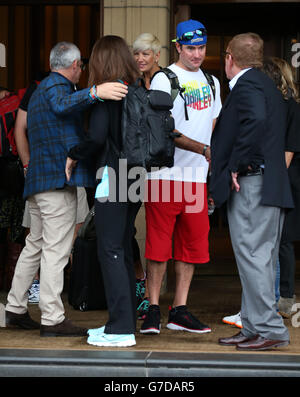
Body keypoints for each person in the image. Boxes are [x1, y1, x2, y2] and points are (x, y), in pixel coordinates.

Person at [0, 41, 128, 337]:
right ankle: (53, 318)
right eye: (81, 68)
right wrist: (96, 92)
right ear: (73, 66)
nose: (82, 72)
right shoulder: (57, 88)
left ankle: (16, 308)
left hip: (39, 182)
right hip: (57, 181)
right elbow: (62, 104)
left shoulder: (41, 88)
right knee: (56, 250)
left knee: (35, 245)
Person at [210, 33, 293, 351]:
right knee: (258, 257)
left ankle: (270, 329)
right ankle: (254, 325)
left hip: (254, 183)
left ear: (230, 57)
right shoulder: (266, 84)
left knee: (255, 258)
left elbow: (255, 122)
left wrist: (236, 164)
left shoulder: (247, 85)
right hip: (268, 183)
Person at [140, 19, 222, 335]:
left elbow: (212, 124)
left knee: (190, 246)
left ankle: (180, 310)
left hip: (195, 178)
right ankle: (153, 309)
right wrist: (202, 149)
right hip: (164, 176)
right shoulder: (164, 78)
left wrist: (205, 160)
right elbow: (161, 127)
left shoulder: (213, 82)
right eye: (191, 48)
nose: (197, 54)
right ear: (178, 46)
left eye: (201, 47)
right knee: (158, 246)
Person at [65, 35, 142, 347]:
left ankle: (121, 329)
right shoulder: (135, 90)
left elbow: (97, 137)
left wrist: (74, 153)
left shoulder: (107, 94)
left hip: (113, 175)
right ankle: (123, 322)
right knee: (121, 247)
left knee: (109, 250)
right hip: (136, 177)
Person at [132, 33, 163, 319]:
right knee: (129, 229)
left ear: (157, 55)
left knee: (156, 235)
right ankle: (141, 282)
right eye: (137, 54)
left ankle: (154, 298)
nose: (140, 59)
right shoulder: (132, 85)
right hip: (133, 169)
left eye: (146, 54)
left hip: (162, 168)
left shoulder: (166, 82)